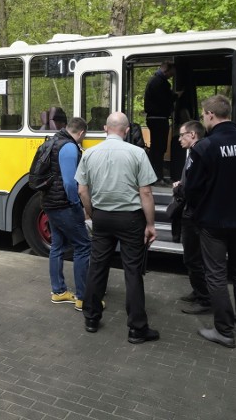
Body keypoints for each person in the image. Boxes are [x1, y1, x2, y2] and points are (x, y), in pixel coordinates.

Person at [184, 95, 236, 348]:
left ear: (209, 114)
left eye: (203, 115)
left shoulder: (204, 148)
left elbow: (192, 189)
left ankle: (223, 330)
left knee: (216, 274)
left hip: (214, 222)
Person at [76, 112, 160, 343]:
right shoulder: (137, 153)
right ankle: (137, 329)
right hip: (131, 220)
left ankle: (91, 319)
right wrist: (151, 224)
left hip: (102, 217)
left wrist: (93, 213)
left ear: (105, 128)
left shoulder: (90, 153)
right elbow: (145, 192)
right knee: (132, 271)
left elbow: (82, 191)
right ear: (126, 130)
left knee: (97, 267)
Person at [41, 117, 91, 311]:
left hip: (51, 203)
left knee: (57, 245)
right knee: (83, 246)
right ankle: (83, 298)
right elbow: (71, 183)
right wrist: (77, 203)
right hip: (64, 205)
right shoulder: (69, 147)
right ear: (81, 133)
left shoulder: (53, 141)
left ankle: (59, 292)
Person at [171, 120, 211, 315]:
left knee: (193, 258)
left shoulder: (197, 153)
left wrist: (179, 188)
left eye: (181, 135)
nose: (179, 139)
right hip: (194, 212)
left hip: (193, 214)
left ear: (193, 135)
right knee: (193, 257)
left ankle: (205, 298)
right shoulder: (196, 152)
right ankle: (198, 291)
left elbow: (193, 187)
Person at [143, 61, 179, 183]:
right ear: (166, 70)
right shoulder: (159, 82)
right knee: (158, 148)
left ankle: (158, 175)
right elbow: (164, 101)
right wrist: (175, 96)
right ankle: (157, 177)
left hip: (157, 118)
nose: (171, 76)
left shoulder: (156, 81)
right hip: (158, 118)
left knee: (158, 148)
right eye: (171, 73)